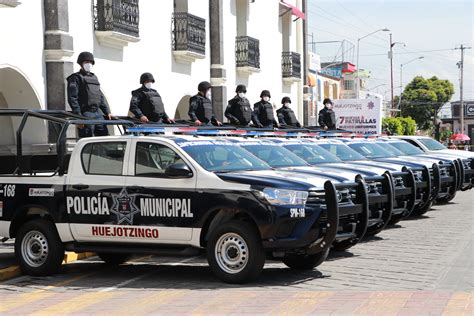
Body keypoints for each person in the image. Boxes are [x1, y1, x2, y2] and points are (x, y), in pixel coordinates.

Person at [67, 51, 112, 137]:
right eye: (86, 62)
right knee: (88, 139)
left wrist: (107, 111)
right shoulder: (75, 78)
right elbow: (72, 98)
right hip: (85, 113)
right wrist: (78, 117)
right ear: (81, 64)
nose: (89, 64)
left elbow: (100, 96)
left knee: (104, 138)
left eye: (90, 62)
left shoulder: (94, 77)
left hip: (98, 113)